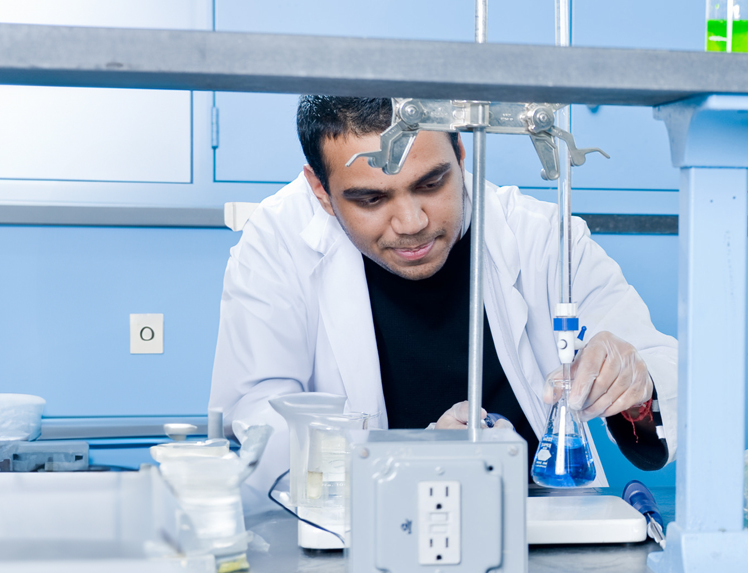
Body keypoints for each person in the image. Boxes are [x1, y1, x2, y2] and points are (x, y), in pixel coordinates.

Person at [209, 96, 678, 492]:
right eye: (372, 199)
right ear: (320, 191)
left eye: (431, 183)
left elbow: (660, 371)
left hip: (538, 521)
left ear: (459, 151)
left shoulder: (539, 236)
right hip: (370, 522)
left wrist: (634, 387)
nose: (412, 223)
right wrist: (412, 459)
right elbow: (260, 423)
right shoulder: (277, 243)